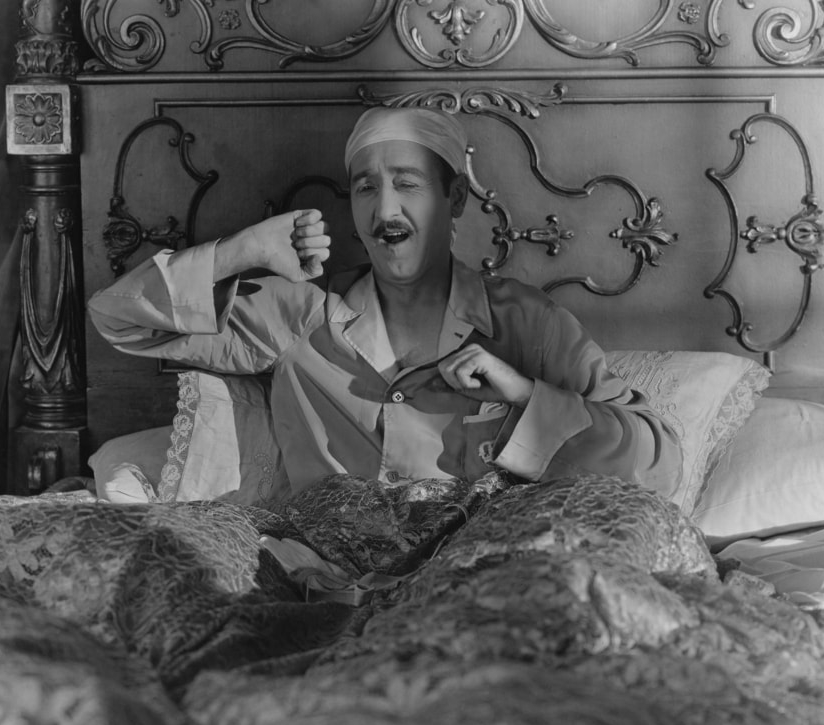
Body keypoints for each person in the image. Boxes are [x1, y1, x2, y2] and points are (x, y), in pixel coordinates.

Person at [88, 107, 682, 499]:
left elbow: (658, 463)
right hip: (321, 584)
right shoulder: (299, 312)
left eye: (407, 183)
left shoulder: (531, 327)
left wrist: (525, 396)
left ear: (453, 199)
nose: (385, 209)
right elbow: (119, 321)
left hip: (479, 580)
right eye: (367, 187)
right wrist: (237, 253)